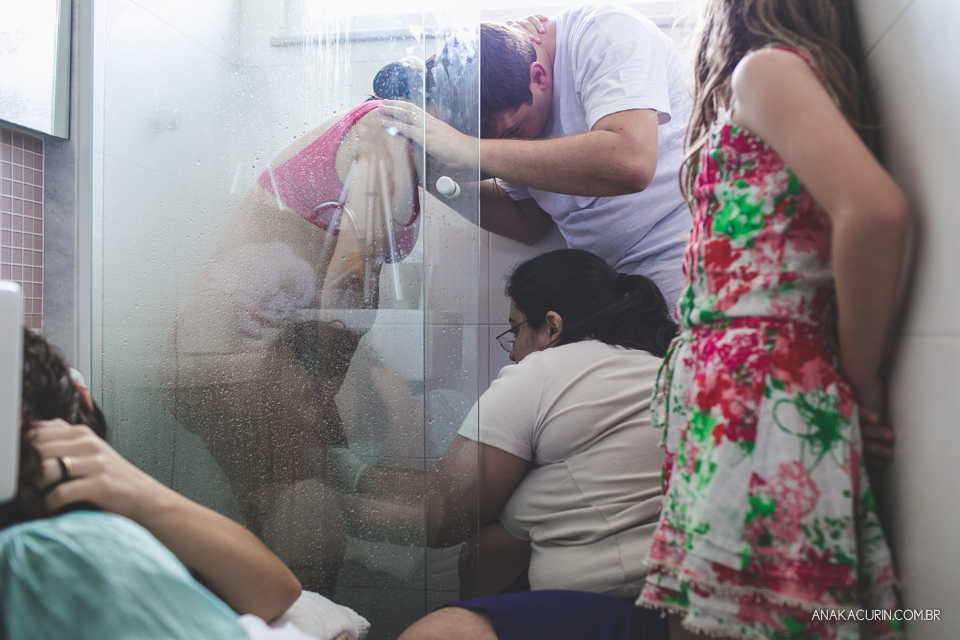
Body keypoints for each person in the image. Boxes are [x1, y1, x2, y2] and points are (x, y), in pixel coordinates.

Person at [635, 1, 906, 638]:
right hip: (731, 393)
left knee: (742, 619)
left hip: (754, 390)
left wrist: (861, 383)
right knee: (713, 615)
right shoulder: (772, 82)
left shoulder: (763, 72)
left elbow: (874, 212)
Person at [169, 45, 478, 595]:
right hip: (244, 354)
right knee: (304, 498)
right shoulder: (390, 134)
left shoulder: (385, 138)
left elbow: (332, 278)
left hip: (237, 348)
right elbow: (347, 280)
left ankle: (287, 624)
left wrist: (341, 377)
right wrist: (320, 389)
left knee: (285, 504)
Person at [334, 249, 677, 640]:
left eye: (515, 330)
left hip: (607, 604)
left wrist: (336, 503)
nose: (513, 352)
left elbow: (444, 517)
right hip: (681, 603)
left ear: (551, 327)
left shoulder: (546, 369)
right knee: (492, 546)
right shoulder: (663, 366)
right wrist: (359, 475)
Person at [379, 4, 692, 311]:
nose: (511, 144)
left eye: (513, 129)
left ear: (539, 76)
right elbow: (528, 223)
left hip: (685, 253)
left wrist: (466, 148)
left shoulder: (605, 32)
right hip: (618, 281)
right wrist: (427, 176)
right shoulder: (515, 96)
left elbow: (630, 161)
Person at [0, 329, 307, 639]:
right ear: (83, 398)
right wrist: (141, 491)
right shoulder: (71, 547)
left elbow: (275, 592)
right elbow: (276, 596)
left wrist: (139, 494)